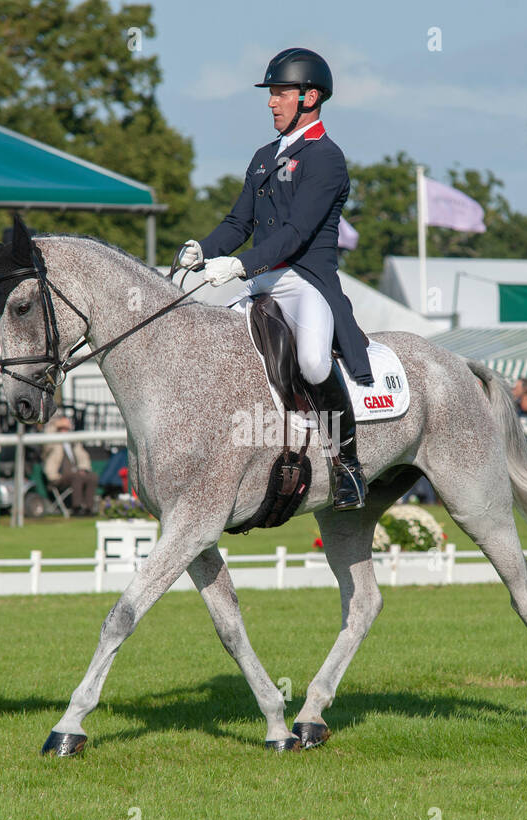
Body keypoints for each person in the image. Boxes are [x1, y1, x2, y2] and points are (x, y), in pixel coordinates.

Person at [177, 47, 372, 511]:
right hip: (261, 281)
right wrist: (204, 248)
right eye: (272, 94)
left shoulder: (327, 158)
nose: (271, 102)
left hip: (305, 281)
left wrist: (241, 265)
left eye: (281, 93)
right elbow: (238, 222)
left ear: (310, 97)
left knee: (314, 364)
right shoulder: (265, 156)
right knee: (213, 349)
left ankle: (348, 466)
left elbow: (296, 233)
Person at [43, 413, 98, 516]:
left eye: (66, 428)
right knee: (77, 477)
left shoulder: (73, 443)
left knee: (92, 477)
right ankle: (76, 508)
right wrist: (55, 425)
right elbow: (47, 441)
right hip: (59, 476)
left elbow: (83, 456)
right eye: (62, 428)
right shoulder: (53, 443)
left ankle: (88, 508)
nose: (64, 430)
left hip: (75, 474)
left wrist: (83, 469)